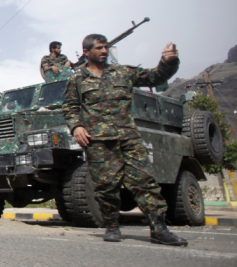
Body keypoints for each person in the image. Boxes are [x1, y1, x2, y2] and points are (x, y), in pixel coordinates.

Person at [61, 34, 187, 246]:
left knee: (145, 183)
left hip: (128, 138)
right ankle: (111, 226)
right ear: (86, 52)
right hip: (99, 142)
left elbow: (154, 77)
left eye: (106, 47)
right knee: (105, 187)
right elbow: (70, 107)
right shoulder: (78, 80)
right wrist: (77, 126)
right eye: (99, 48)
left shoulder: (122, 72)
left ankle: (159, 229)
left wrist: (168, 62)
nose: (104, 51)